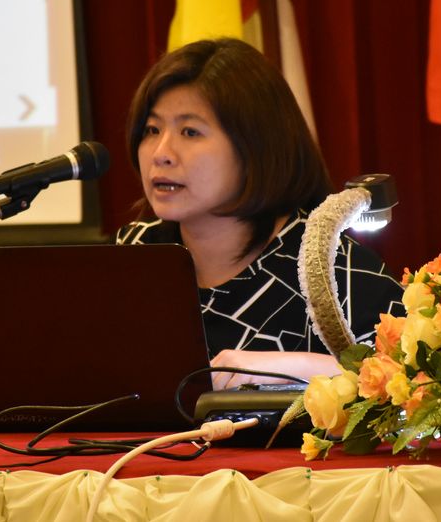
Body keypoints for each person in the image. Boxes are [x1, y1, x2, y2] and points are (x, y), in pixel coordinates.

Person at [115, 37, 402, 390]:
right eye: (152, 130)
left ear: (255, 146)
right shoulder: (133, 253)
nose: (161, 153)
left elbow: (416, 388)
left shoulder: (331, 266)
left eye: (190, 132)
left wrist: (294, 368)